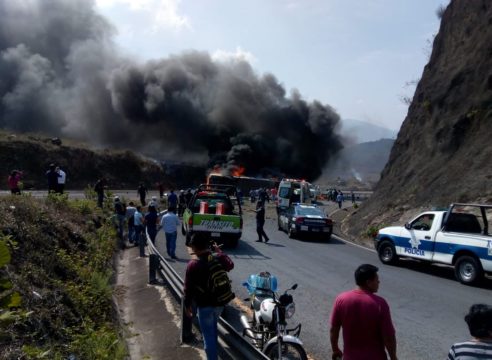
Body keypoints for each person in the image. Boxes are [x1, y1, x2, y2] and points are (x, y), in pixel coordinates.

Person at [330, 264, 397, 360]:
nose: (379, 282)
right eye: (376, 279)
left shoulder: (341, 299)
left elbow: (334, 329)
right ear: (368, 282)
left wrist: (335, 349)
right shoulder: (380, 304)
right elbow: (388, 337)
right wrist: (393, 357)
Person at [183, 233, 234, 360]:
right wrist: (219, 251)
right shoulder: (217, 257)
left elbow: (188, 289)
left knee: (208, 337)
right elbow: (230, 265)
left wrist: (187, 305)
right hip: (220, 304)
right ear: (207, 245)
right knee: (212, 328)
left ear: (194, 247)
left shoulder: (193, 265)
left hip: (204, 306)